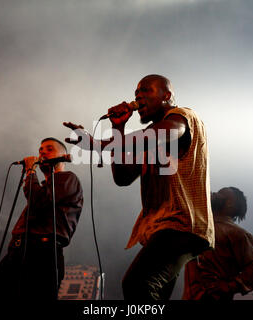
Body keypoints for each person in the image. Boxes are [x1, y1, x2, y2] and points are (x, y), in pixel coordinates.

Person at [63, 74, 214, 300]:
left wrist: (96, 144)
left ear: (167, 96)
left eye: (146, 91)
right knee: (152, 293)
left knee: (136, 284)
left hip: (181, 223)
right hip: (164, 227)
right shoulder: (149, 138)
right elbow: (122, 177)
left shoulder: (182, 117)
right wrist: (118, 129)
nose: (138, 98)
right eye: (136, 94)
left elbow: (162, 133)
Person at [0, 137, 83, 300]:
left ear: (63, 155)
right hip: (18, 252)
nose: (42, 152)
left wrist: (30, 171)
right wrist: (5, 265)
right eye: (40, 149)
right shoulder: (43, 188)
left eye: (49, 149)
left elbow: (38, 202)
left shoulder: (68, 179)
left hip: (42, 254)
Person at [182, 187, 253, 300]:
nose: (216, 194)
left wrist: (228, 287)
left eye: (221, 194)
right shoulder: (199, 226)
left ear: (231, 204)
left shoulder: (238, 234)